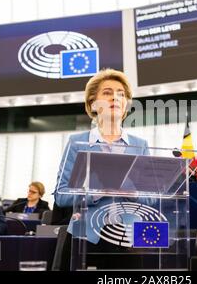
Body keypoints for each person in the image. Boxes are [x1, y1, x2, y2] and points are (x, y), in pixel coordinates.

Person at [54, 69, 150, 267]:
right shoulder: (76, 143)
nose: (115, 97)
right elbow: (61, 194)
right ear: (93, 104)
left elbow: (151, 197)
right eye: (107, 92)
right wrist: (96, 193)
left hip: (128, 238)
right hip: (85, 237)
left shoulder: (140, 145)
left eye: (121, 94)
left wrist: (134, 192)